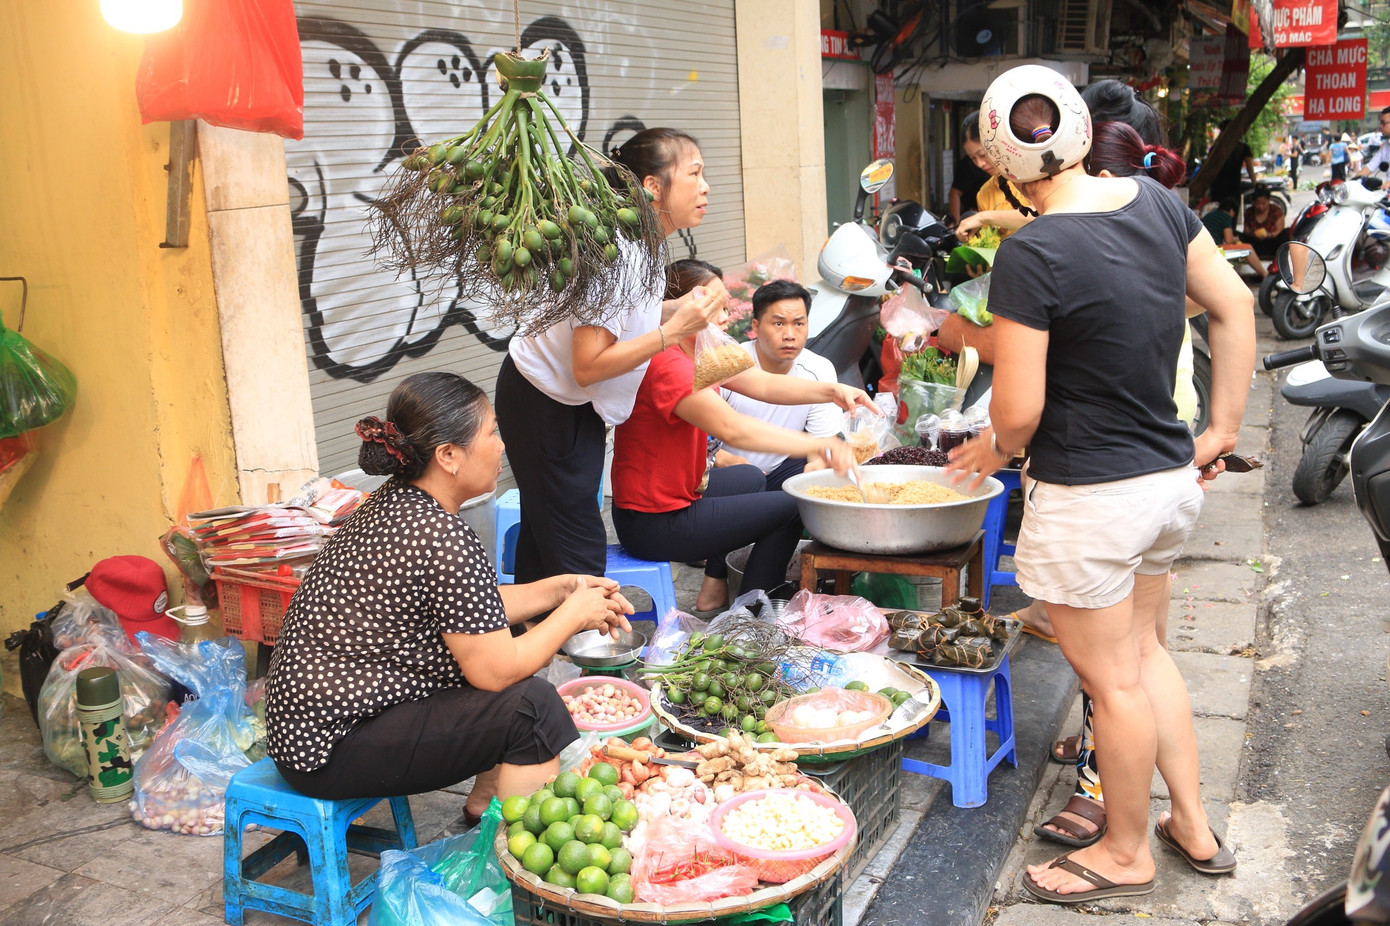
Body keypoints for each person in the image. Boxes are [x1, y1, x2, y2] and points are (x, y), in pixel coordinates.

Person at [947, 66, 1253, 902]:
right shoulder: (1156, 203)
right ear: (1083, 132)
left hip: (1093, 501)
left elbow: (1019, 410)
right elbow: (1232, 306)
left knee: (1112, 684)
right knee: (1148, 657)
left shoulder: (1033, 252)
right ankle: (1188, 821)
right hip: (1166, 483)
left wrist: (991, 447)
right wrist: (1221, 429)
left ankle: (1124, 851)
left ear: (1006, 166)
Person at [265, 372, 634, 815]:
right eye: (492, 432)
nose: (502, 445)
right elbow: (494, 673)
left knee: (501, 635)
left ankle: (482, 804)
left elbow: (471, 607)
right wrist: (573, 615)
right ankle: (519, 863)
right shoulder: (440, 536)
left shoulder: (397, 501)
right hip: (330, 747)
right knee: (533, 710)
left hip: (308, 730)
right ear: (448, 456)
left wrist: (561, 589)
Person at [495, 128, 726, 586]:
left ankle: (531, 640)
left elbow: (621, 319)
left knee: (549, 531)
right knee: (577, 545)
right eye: (694, 174)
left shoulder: (640, 242)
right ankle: (578, 649)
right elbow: (590, 364)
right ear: (653, 187)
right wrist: (672, 330)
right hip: (542, 400)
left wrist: (674, 310)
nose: (705, 187)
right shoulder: (617, 254)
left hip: (567, 399)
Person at [610, 292, 872, 614]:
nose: (725, 318)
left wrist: (833, 391)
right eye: (714, 308)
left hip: (678, 497)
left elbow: (763, 384)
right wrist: (820, 445)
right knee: (793, 506)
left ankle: (728, 589)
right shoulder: (669, 367)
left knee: (749, 477)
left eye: (725, 307)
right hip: (654, 523)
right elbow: (733, 429)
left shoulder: (696, 353)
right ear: (679, 309)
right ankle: (750, 617)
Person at [718, 279, 841, 492]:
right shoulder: (729, 364)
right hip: (724, 472)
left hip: (779, 470)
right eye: (778, 323)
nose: (790, 335)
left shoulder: (819, 369)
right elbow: (696, 437)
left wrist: (816, 465)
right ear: (756, 326)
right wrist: (724, 459)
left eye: (799, 324)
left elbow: (821, 441)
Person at [1202, 196, 1268, 279]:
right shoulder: (1226, 216)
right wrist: (1235, 239)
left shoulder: (1210, 215)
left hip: (1204, 247)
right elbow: (1228, 240)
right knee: (1248, 249)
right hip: (1215, 248)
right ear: (1232, 210)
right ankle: (1265, 274)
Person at [948, 110, 993, 226]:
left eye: (983, 155)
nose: (979, 164)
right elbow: (954, 193)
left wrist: (983, 217)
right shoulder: (984, 193)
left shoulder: (1025, 180)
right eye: (972, 158)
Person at [1208, 120, 1258, 203]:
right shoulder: (1243, 148)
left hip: (1217, 189)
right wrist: (1256, 185)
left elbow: (1209, 171)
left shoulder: (1215, 148)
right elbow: (1250, 170)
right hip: (1233, 189)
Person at [1240, 189, 1288, 260]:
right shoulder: (1249, 212)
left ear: (1268, 201)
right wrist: (1254, 234)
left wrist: (1268, 235)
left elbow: (1279, 230)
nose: (1260, 207)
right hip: (1255, 244)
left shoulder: (1276, 211)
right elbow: (1246, 231)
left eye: (1263, 203)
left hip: (1271, 243)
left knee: (1286, 233)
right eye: (1257, 204)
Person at [1361, 108, 1390, 175]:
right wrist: (1352, 182)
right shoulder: (1386, 146)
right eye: (1380, 123)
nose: (1380, 126)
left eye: (1383, 123)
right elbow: (1370, 167)